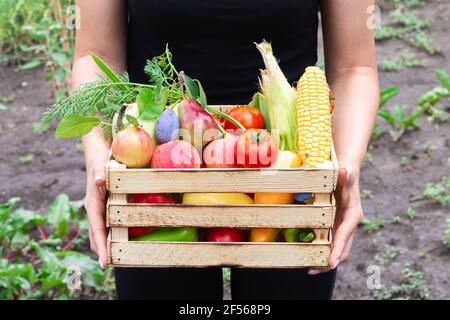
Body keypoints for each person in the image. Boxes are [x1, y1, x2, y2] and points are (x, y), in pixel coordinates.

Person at [74, 0, 379, 300]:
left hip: (290, 180)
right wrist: (98, 160)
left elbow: (356, 67)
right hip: (153, 177)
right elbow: (96, 54)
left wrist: (346, 164)